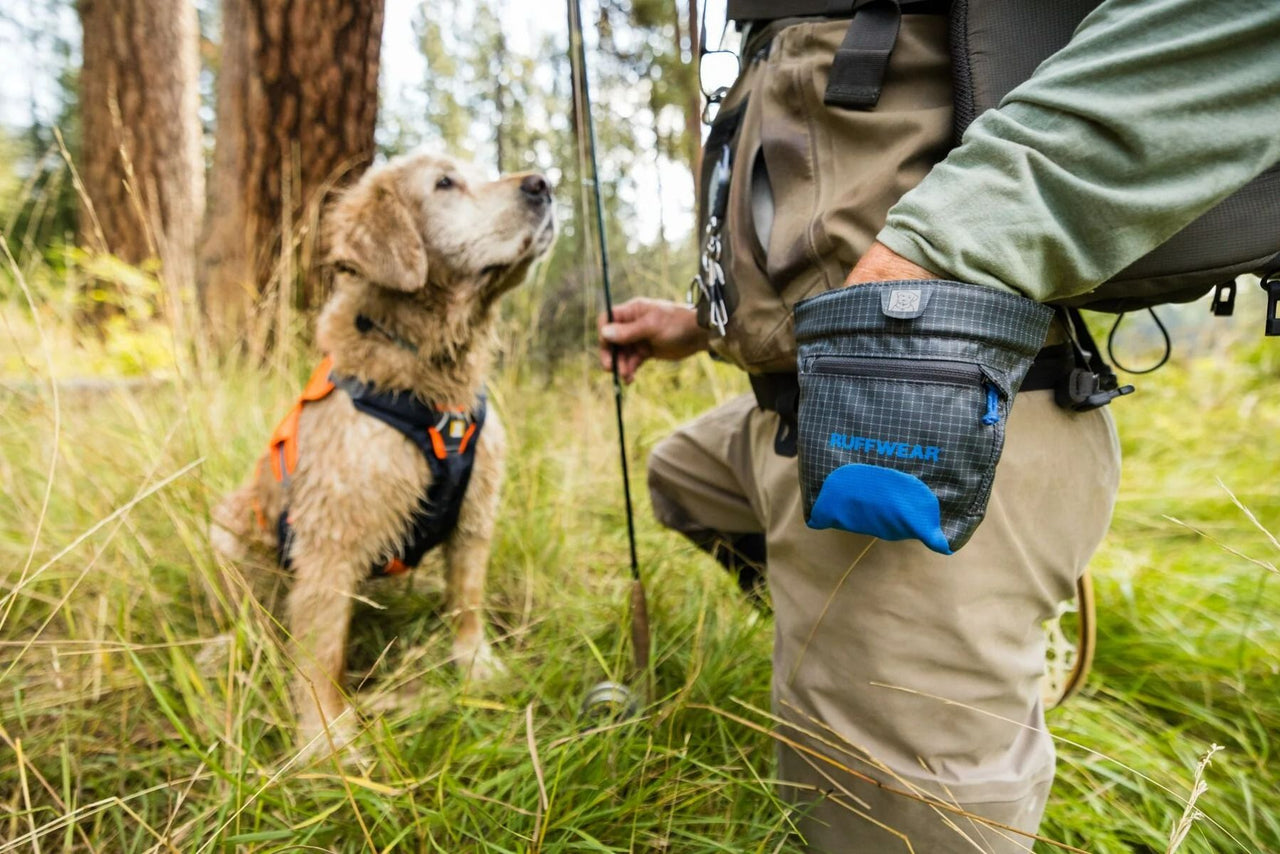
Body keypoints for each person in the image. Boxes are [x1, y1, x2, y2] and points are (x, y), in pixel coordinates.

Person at [597, 0, 1280, 851]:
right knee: (680, 475)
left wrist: (954, 246)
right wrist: (703, 321)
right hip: (789, 409)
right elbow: (823, 184)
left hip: (920, 415)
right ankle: (819, 635)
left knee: (901, 833)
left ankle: (893, 639)